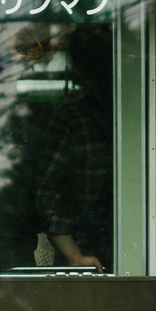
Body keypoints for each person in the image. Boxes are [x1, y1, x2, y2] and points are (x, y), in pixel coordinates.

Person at [36, 25, 114, 271]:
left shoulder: (72, 120)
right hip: (148, 253)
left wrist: (74, 256)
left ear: (77, 70)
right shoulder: (143, 111)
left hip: (89, 255)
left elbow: (47, 193)